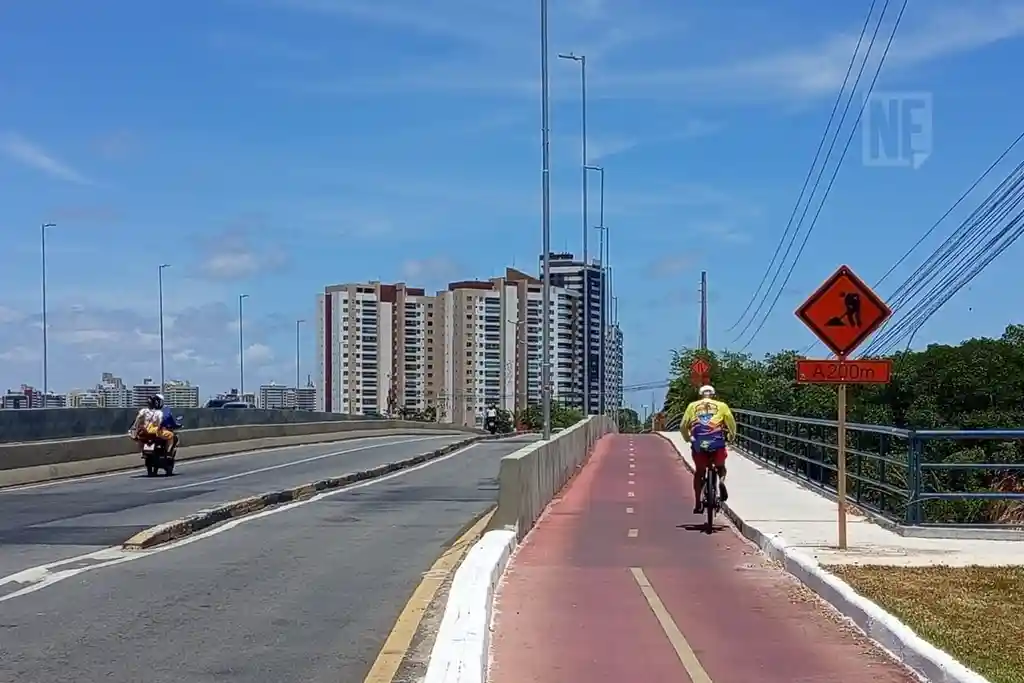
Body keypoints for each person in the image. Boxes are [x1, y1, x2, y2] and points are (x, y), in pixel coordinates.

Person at [680, 384, 736, 514]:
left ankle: (698, 503)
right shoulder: (722, 406)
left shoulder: (692, 406)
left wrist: (688, 439)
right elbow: (731, 424)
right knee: (721, 467)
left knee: (699, 472)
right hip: (717, 443)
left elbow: (683, 425)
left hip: (699, 444)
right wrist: (731, 436)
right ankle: (721, 481)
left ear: (700, 395)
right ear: (713, 395)